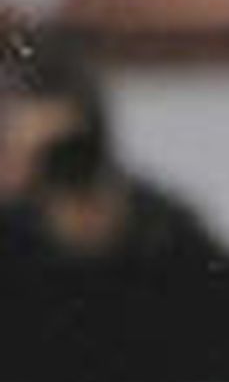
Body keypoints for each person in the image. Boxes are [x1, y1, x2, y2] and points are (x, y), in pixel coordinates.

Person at [0, 29, 216, 265]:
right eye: (24, 156)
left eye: (64, 153)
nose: (50, 172)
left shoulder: (164, 230)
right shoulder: (12, 235)